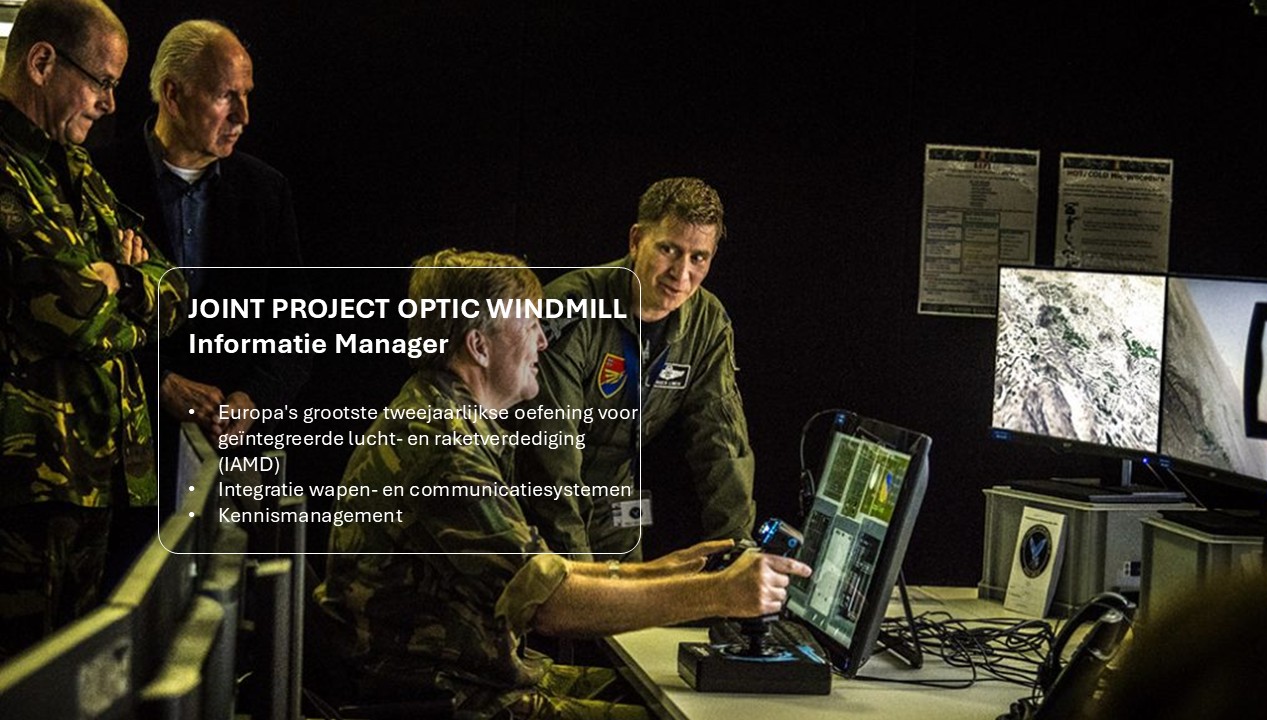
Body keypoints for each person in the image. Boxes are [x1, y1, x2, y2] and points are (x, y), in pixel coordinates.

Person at [315, 250, 807, 719]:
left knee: (684, 697)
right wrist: (717, 593)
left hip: (474, 678)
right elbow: (550, 604)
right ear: (479, 346)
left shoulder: (442, 412)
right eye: (529, 326)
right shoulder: (447, 449)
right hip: (450, 698)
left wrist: (662, 572)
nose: (543, 343)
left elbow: (541, 573)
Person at [0, 0, 186, 660]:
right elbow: (67, 307)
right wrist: (115, 285)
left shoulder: (75, 168)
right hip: (24, 489)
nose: (110, 104)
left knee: (76, 674)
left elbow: (173, 290)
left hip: (96, 479)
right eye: (102, 81)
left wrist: (120, 280)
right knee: (23, 677)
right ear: (42, 62)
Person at [97, 19, 308, 506]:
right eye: (225, 96)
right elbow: (76, 327)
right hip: (124, 463)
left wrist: (250, 400)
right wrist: (162, 384)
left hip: (235, 467)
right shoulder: (98, 180)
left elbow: (298, 331)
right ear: (172, 95)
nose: (243, 116)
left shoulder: (266, 191)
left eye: (246, 95)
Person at [516, 177, 754, 560]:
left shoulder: (708, 324)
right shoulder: (571, 307)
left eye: (699, 258)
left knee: (635, 595)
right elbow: (550, 452)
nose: (681, 274)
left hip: (619, 493)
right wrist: (580, 575)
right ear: (636, 240)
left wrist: (737, 551)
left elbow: (722, 442)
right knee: (571, 589)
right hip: (538, 494)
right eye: (669, 249)